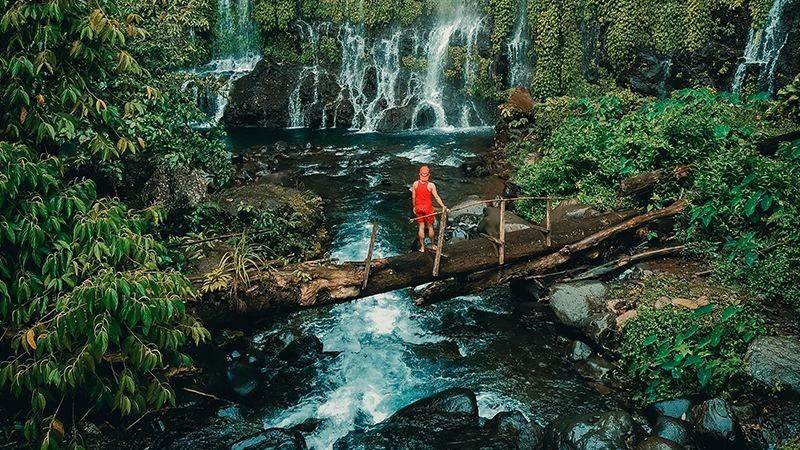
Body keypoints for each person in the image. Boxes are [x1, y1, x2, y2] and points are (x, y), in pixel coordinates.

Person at [412, 165, 447, 252]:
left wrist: (414, 207)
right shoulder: (431, 185)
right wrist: (443, 206)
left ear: (420, 174)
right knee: (430, 227)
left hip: (418, 208)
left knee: (421, 227)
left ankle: (422, 247)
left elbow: (413, 197)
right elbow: (436, 197)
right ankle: (432, 245)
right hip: (428, 208)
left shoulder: (415, 184)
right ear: (428, 175)